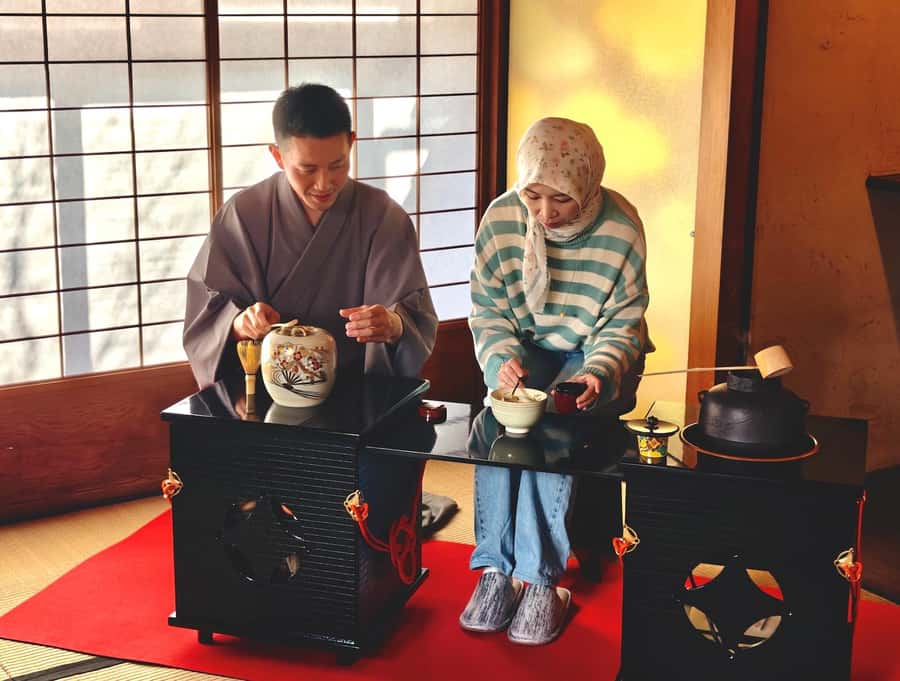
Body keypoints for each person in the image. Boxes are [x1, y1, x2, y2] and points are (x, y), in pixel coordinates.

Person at [461, 117, 652, 645]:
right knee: (499, 427)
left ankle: (540, 579)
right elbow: (488, 309)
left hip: (591, 352)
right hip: (526, 349)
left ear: (587, 184)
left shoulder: (620, 227)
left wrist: (598, 372)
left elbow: (622, 321)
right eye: (534, 196)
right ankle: (495, 570)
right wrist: (501, 359)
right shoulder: (503, 218)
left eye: (561, 200)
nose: (544, 214)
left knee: (556, 429)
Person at [183, 83, 438, 388]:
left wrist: (392, 325)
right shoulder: (243, 214)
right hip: (269, 392)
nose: (324, 183)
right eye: (307, 169)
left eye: (337, 165)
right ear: (278, 156)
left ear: (352, 143)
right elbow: (208, 316)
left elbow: (411, 318)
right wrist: (239, 323)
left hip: (360, 392)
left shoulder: (384, 217)